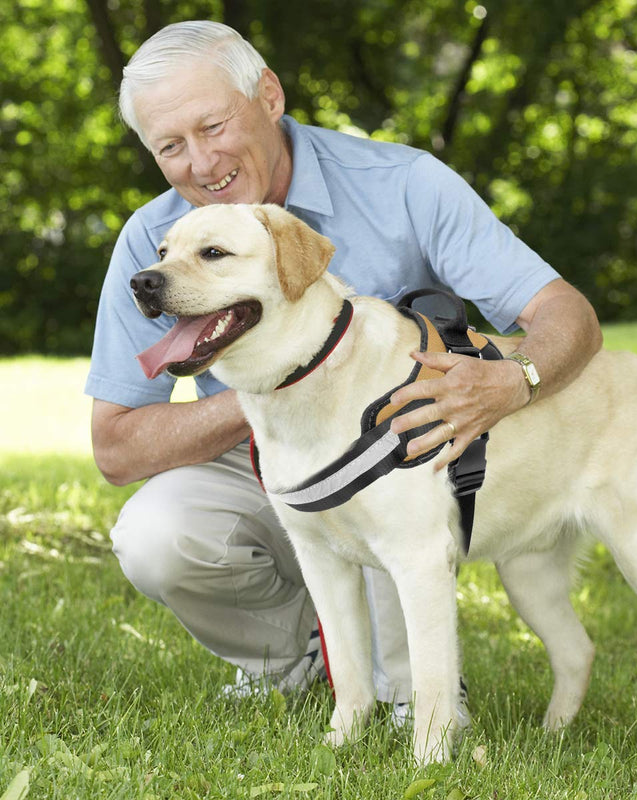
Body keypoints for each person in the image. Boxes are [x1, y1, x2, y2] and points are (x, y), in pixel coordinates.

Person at [85, 20, 602, 714]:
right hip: (256, 452)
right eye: (170, 147)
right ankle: (293, 657)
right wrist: (289, 381)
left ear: (268, 95)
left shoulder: (404, 184)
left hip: (395, 448)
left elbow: (566, 313)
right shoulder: (156, 239)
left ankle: (408, 689)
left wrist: (517, 379)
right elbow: (117, 446)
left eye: (213, 126)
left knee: (379, 451)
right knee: (157, 535)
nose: (201, 165)